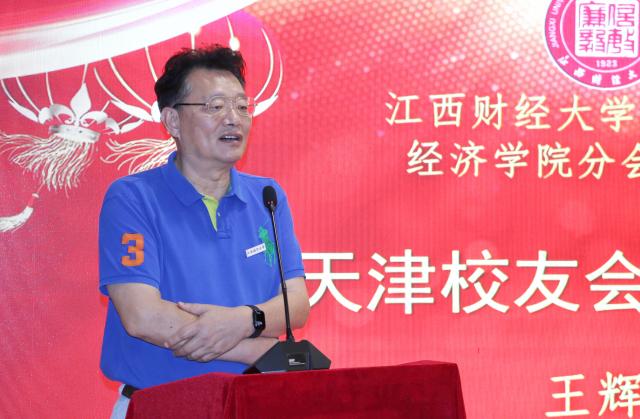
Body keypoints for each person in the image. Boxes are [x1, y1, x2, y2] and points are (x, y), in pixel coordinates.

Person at [98, 45, 310, 418]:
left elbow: (296, 303)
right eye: (215, 106)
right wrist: (257, 349)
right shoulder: (134, 198)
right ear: (172, 121)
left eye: (242, 107)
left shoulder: (267, 197)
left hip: (255, 406)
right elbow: (142, 317)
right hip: (160, 406)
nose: (233, 119)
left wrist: (243, 320)